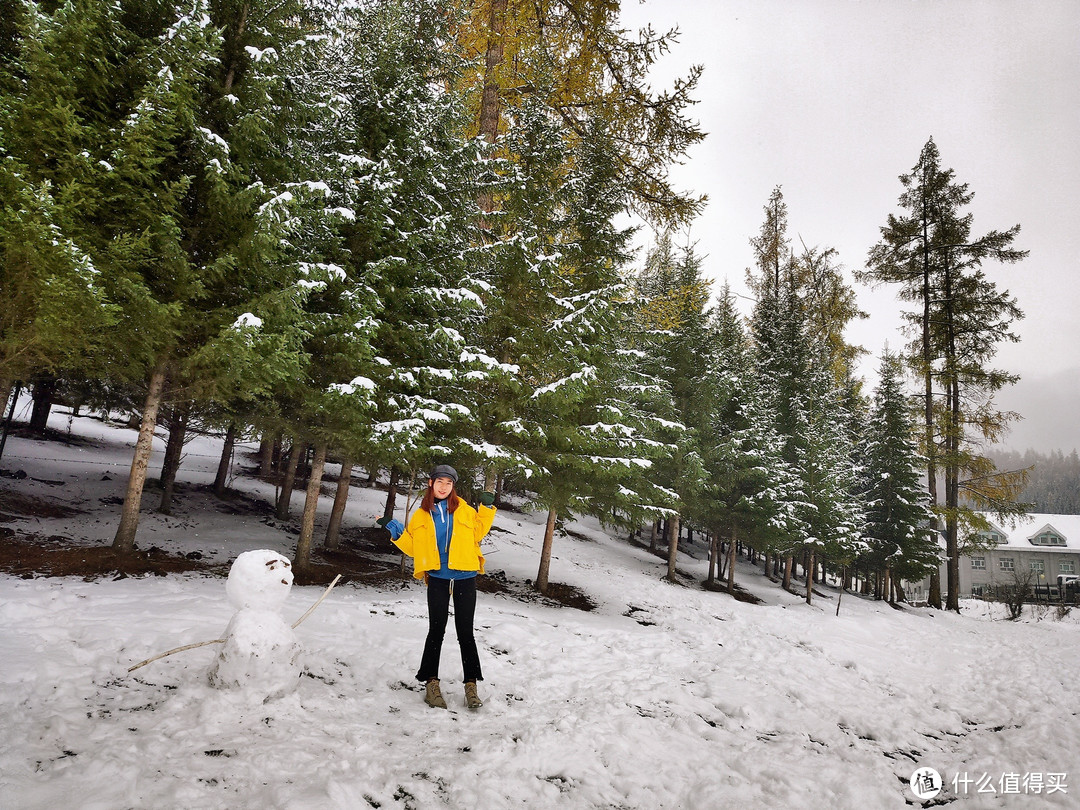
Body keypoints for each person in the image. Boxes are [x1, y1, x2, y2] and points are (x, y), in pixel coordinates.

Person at [379, 464, 496, 710]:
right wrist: (394, 528)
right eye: (440, 482)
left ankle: (471, 686)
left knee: (466, 633)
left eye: (449, 483)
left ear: (453, 487)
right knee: (436, 631)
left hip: (464, 575)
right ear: (431, 483)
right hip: (438, 578)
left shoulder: (464, 510)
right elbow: (413, 547)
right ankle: (431, 683)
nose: (444, 487)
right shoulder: (421, 515)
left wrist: (485, 509)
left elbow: (478, 533)